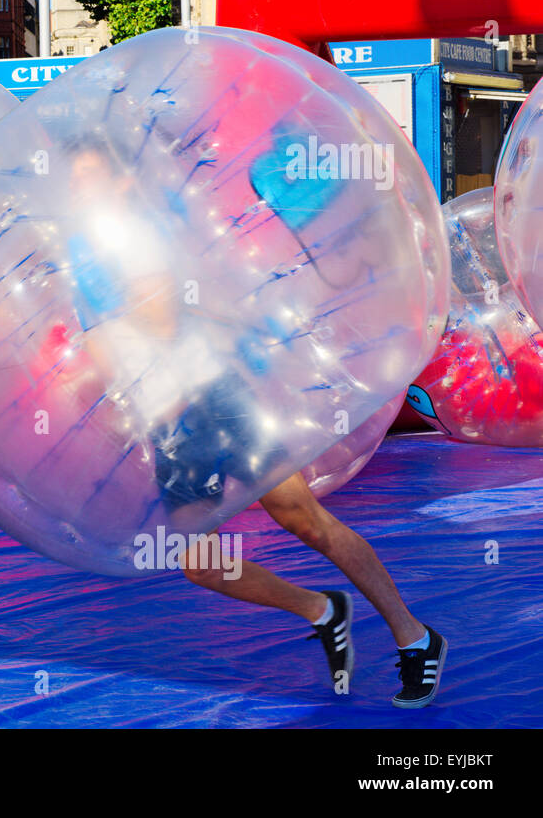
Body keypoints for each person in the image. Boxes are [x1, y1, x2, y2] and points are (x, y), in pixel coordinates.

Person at [65, 135, 447, 709]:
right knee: (201, 565)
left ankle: (415, 638)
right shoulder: (83, 247)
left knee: (307, 522)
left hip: (214, 396)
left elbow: (163, 313)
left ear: (119, 180)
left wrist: (121, 332)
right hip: (165, 418)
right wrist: (102, 386)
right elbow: (100, 335)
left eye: (91, 178)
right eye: (75, 182)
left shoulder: (143, 229)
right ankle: (321, 609)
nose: (81, 190)